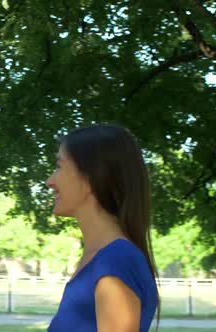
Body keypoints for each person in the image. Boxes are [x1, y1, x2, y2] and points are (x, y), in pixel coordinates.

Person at [46, 124, 159, 332]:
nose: (49, 181)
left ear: (90, 179)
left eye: (59, 167)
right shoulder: (102, 259)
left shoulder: (115, 262)